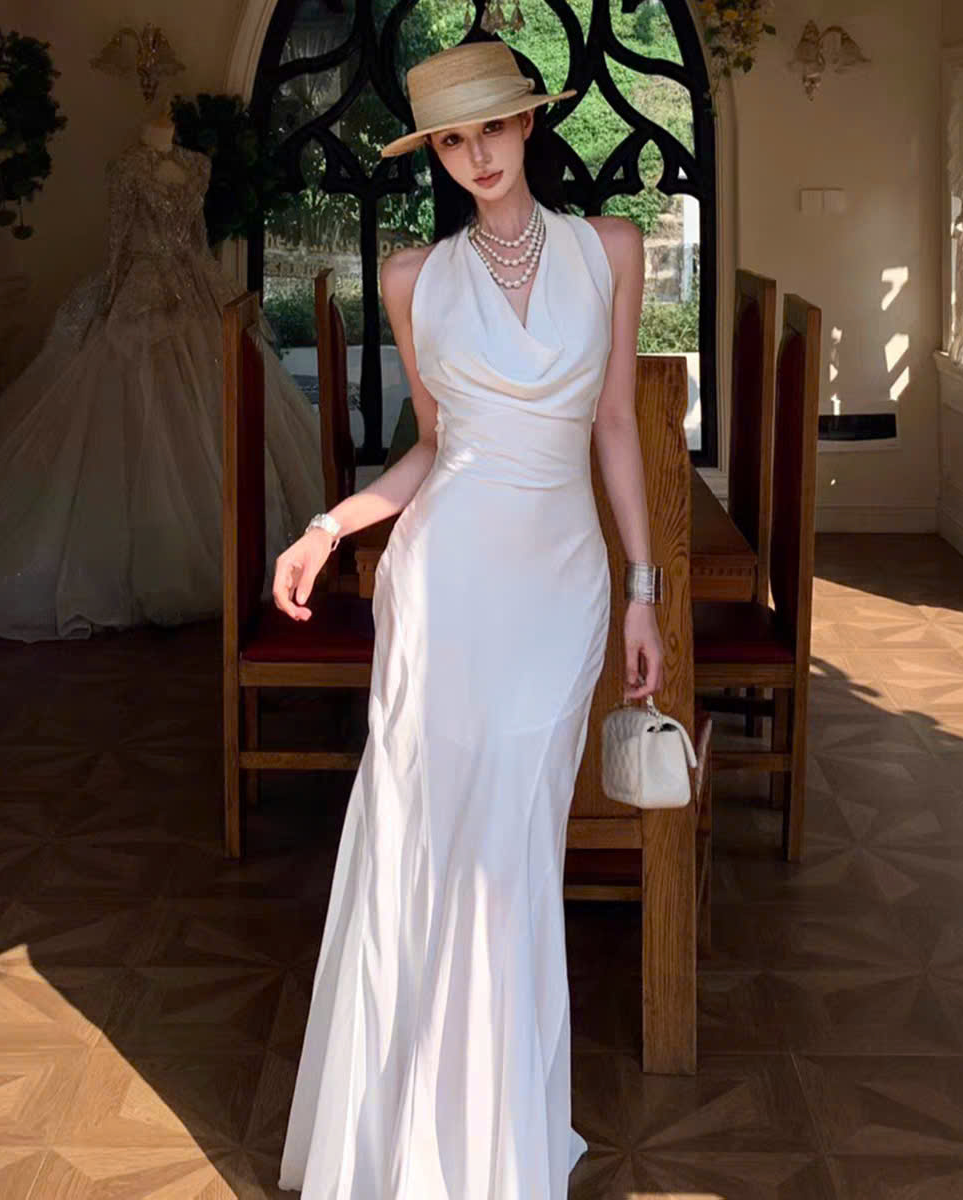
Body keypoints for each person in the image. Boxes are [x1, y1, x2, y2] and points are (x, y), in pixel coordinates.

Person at [272, 40, 663, 1198]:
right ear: (435, 154)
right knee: (426, 843)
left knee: (513, 854)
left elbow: (614, 426)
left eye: (492, 127)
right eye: (451, 139)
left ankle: (495, 1144)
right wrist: (329, 527)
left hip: (560, 590)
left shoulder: (611, 249)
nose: (476, 155)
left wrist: (644, 588)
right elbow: (432, 452)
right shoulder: (413, 278)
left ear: (530, 123)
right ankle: (400, 1147)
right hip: (443, 590)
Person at [0, 113, 323, 641]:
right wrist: (110, 302)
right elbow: (118, 240)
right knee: (139, 410)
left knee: (221, 398)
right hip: (142, 288)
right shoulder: (126, 167)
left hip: (193, 282)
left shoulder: (197, 164)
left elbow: (197, 235)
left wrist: (206, 282)